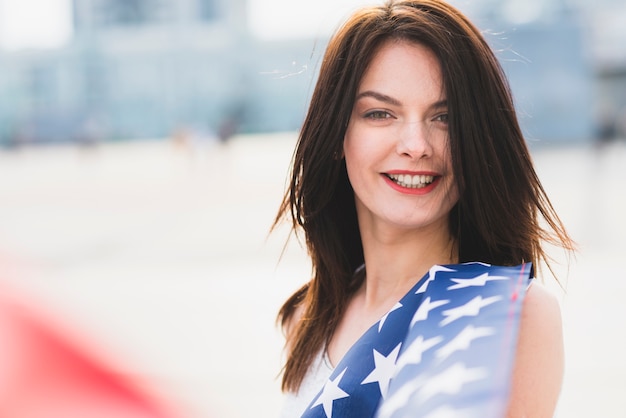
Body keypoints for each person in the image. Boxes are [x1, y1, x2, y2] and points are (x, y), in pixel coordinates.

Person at [273, 1, 574, 417]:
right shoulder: (307, 318)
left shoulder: (509, 314)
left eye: (445, 117)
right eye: (380, 113)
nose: (416, 145)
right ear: (338, 133)